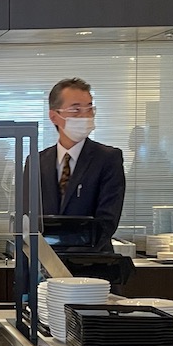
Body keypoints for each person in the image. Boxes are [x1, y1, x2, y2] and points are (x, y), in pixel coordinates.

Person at [32, 77, 126, 253]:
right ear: (54, 116)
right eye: (76, 110)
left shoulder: (108, 159)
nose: (85, 115)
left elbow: (107, 221)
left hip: (92, 265)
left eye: (90, 109)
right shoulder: (36, 162)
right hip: (45, 265)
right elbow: (29, 220)